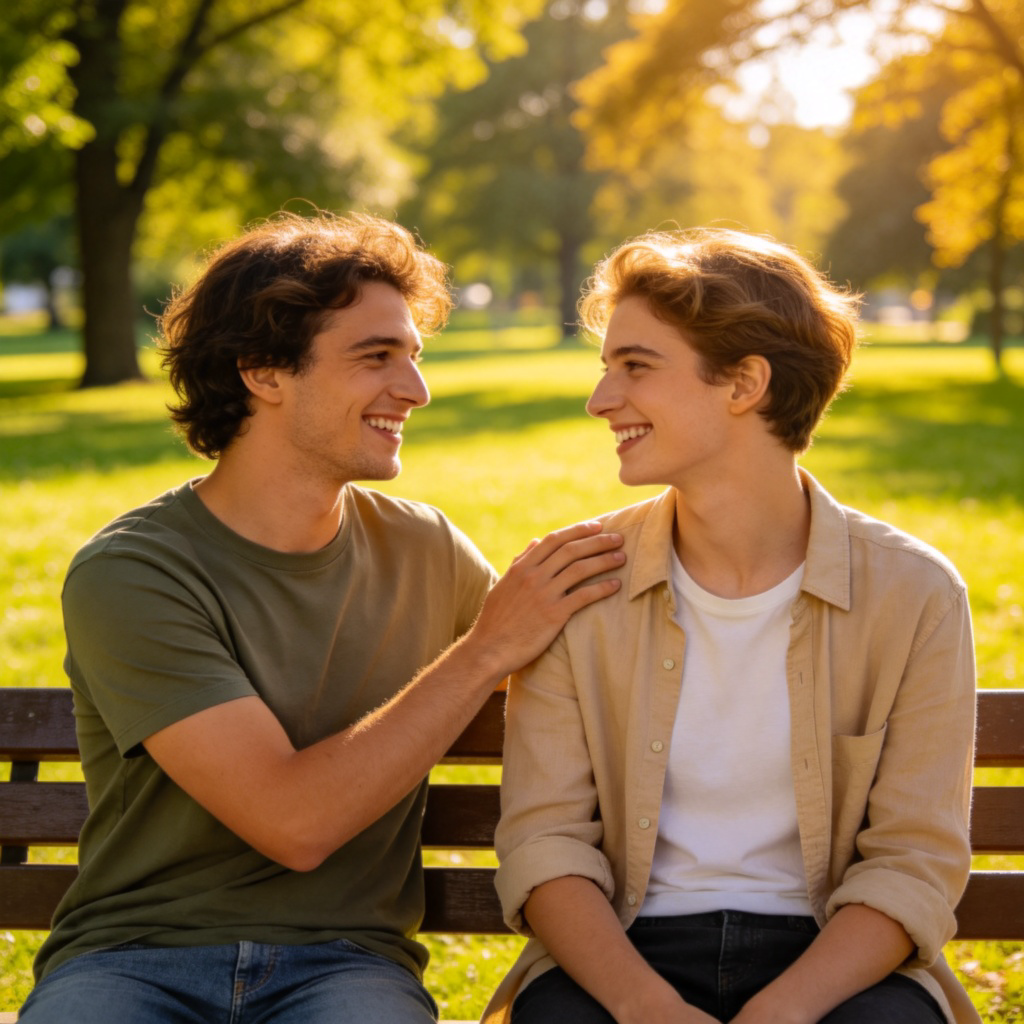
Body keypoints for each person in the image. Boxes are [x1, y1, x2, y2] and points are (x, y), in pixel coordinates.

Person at [18, 211, 626, 1024]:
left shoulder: (425, 549)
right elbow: (293, 822)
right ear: (264, 373)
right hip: (134, 961)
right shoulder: (134, 571)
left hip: (345, 967)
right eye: (377, 358)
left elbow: (599, 672)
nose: (415, 390)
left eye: (413, 357)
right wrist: (483, 651)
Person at [484, 228, 980, 1024]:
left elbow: (912, 863)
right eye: (605, 368)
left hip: (832, 956)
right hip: (623, 951)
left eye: (635, 367)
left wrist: (783, 1013)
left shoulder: (915, 595)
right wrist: (644, 1006)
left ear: (745, 382)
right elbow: (546, 845)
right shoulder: (579, 583)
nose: (601, 400)